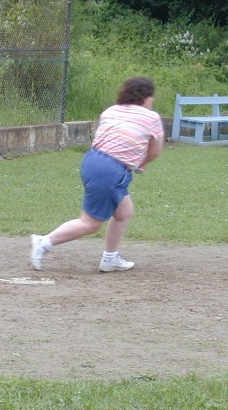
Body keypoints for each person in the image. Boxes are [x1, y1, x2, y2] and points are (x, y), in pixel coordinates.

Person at [30, 76, 165, 272]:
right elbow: (155, 151)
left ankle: (110, 258)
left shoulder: (110, 111)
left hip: (92, 160)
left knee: (123, 212)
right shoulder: (151, 117)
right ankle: (44, 242)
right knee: (90, 223)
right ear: (146, 97)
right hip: (111, 169)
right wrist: (142, 163)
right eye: (151, 97)